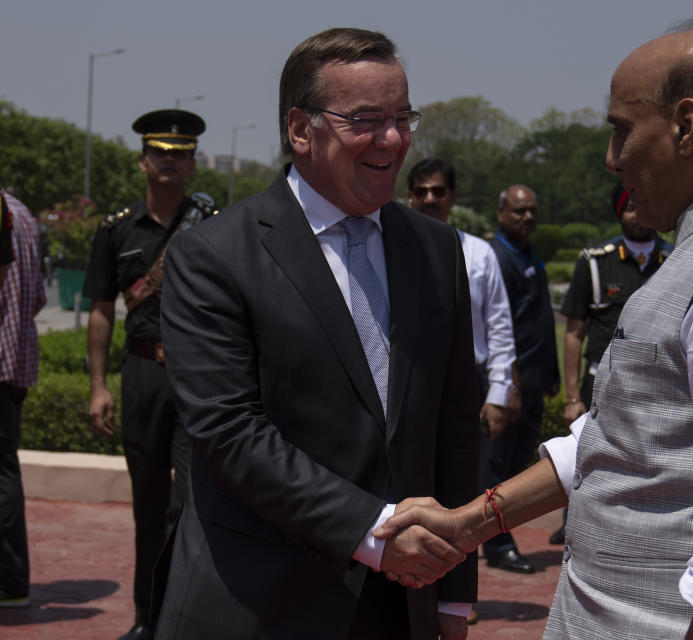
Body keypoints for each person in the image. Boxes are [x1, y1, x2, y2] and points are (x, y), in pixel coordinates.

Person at [377, 24, 693, 640]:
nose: (613, 158)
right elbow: (625, 438)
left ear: (686, 126)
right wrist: (470, 522)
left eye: (621, 129)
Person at [154, 29, 478, 640]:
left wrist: (452, 596)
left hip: (398, 602)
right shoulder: (213, 255)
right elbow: (229, 432)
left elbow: (452, 426)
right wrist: (375, 532)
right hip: (255, 602)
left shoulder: (437, 251)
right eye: (365, 119)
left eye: (402, 116)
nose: (392, 139)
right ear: (301, 130)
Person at [82, 108, 216, 640]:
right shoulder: (116, 230)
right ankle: (145, 617)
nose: (169, 162)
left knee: (190, 500)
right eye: (160, 153)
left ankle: (184, 611)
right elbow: (100, 309)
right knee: (147, 503)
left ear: (192, 163)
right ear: (143, 161)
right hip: (141, 373)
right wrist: (97, 386)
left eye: (180, 154)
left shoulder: (211, 225)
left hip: (197, 378)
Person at [551, 180, 671, 544]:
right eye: (629, 207)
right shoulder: (595, 263)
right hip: (600, 382)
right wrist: (573, 397)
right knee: (589, 460)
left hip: (656, 384)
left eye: (641, 205)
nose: (636, 214)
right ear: (619, 212)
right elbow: (574, 332)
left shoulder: (675, 260)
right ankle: (575, 521)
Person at [405, 158, 518, 442]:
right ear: (409, 198)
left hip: (469, 384)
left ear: (452, 197)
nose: (430, 199)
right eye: (421, 192)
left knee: (471, 482)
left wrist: (497, 394)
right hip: (410, 385)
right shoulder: (391, 254)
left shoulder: (479, 254)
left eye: (439, 191)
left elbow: (499, 327)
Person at [484, 184, 559, 574]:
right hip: (511, 383)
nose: (527, 218)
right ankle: (496, 544)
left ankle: (499, 533)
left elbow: (541, 319)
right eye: (518, 211)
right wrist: (507, 384)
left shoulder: (528, 253)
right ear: (501, 214)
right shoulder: (497, 258)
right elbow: (499, 328)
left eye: (531, 211)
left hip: (533, 378)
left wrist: (551, 373)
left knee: (516, 463)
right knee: (496, 467)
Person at [0, 189, 45, 608]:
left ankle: (10, 580)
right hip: (16, 363)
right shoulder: (22, 213)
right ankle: (12, 581)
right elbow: (38, 298)